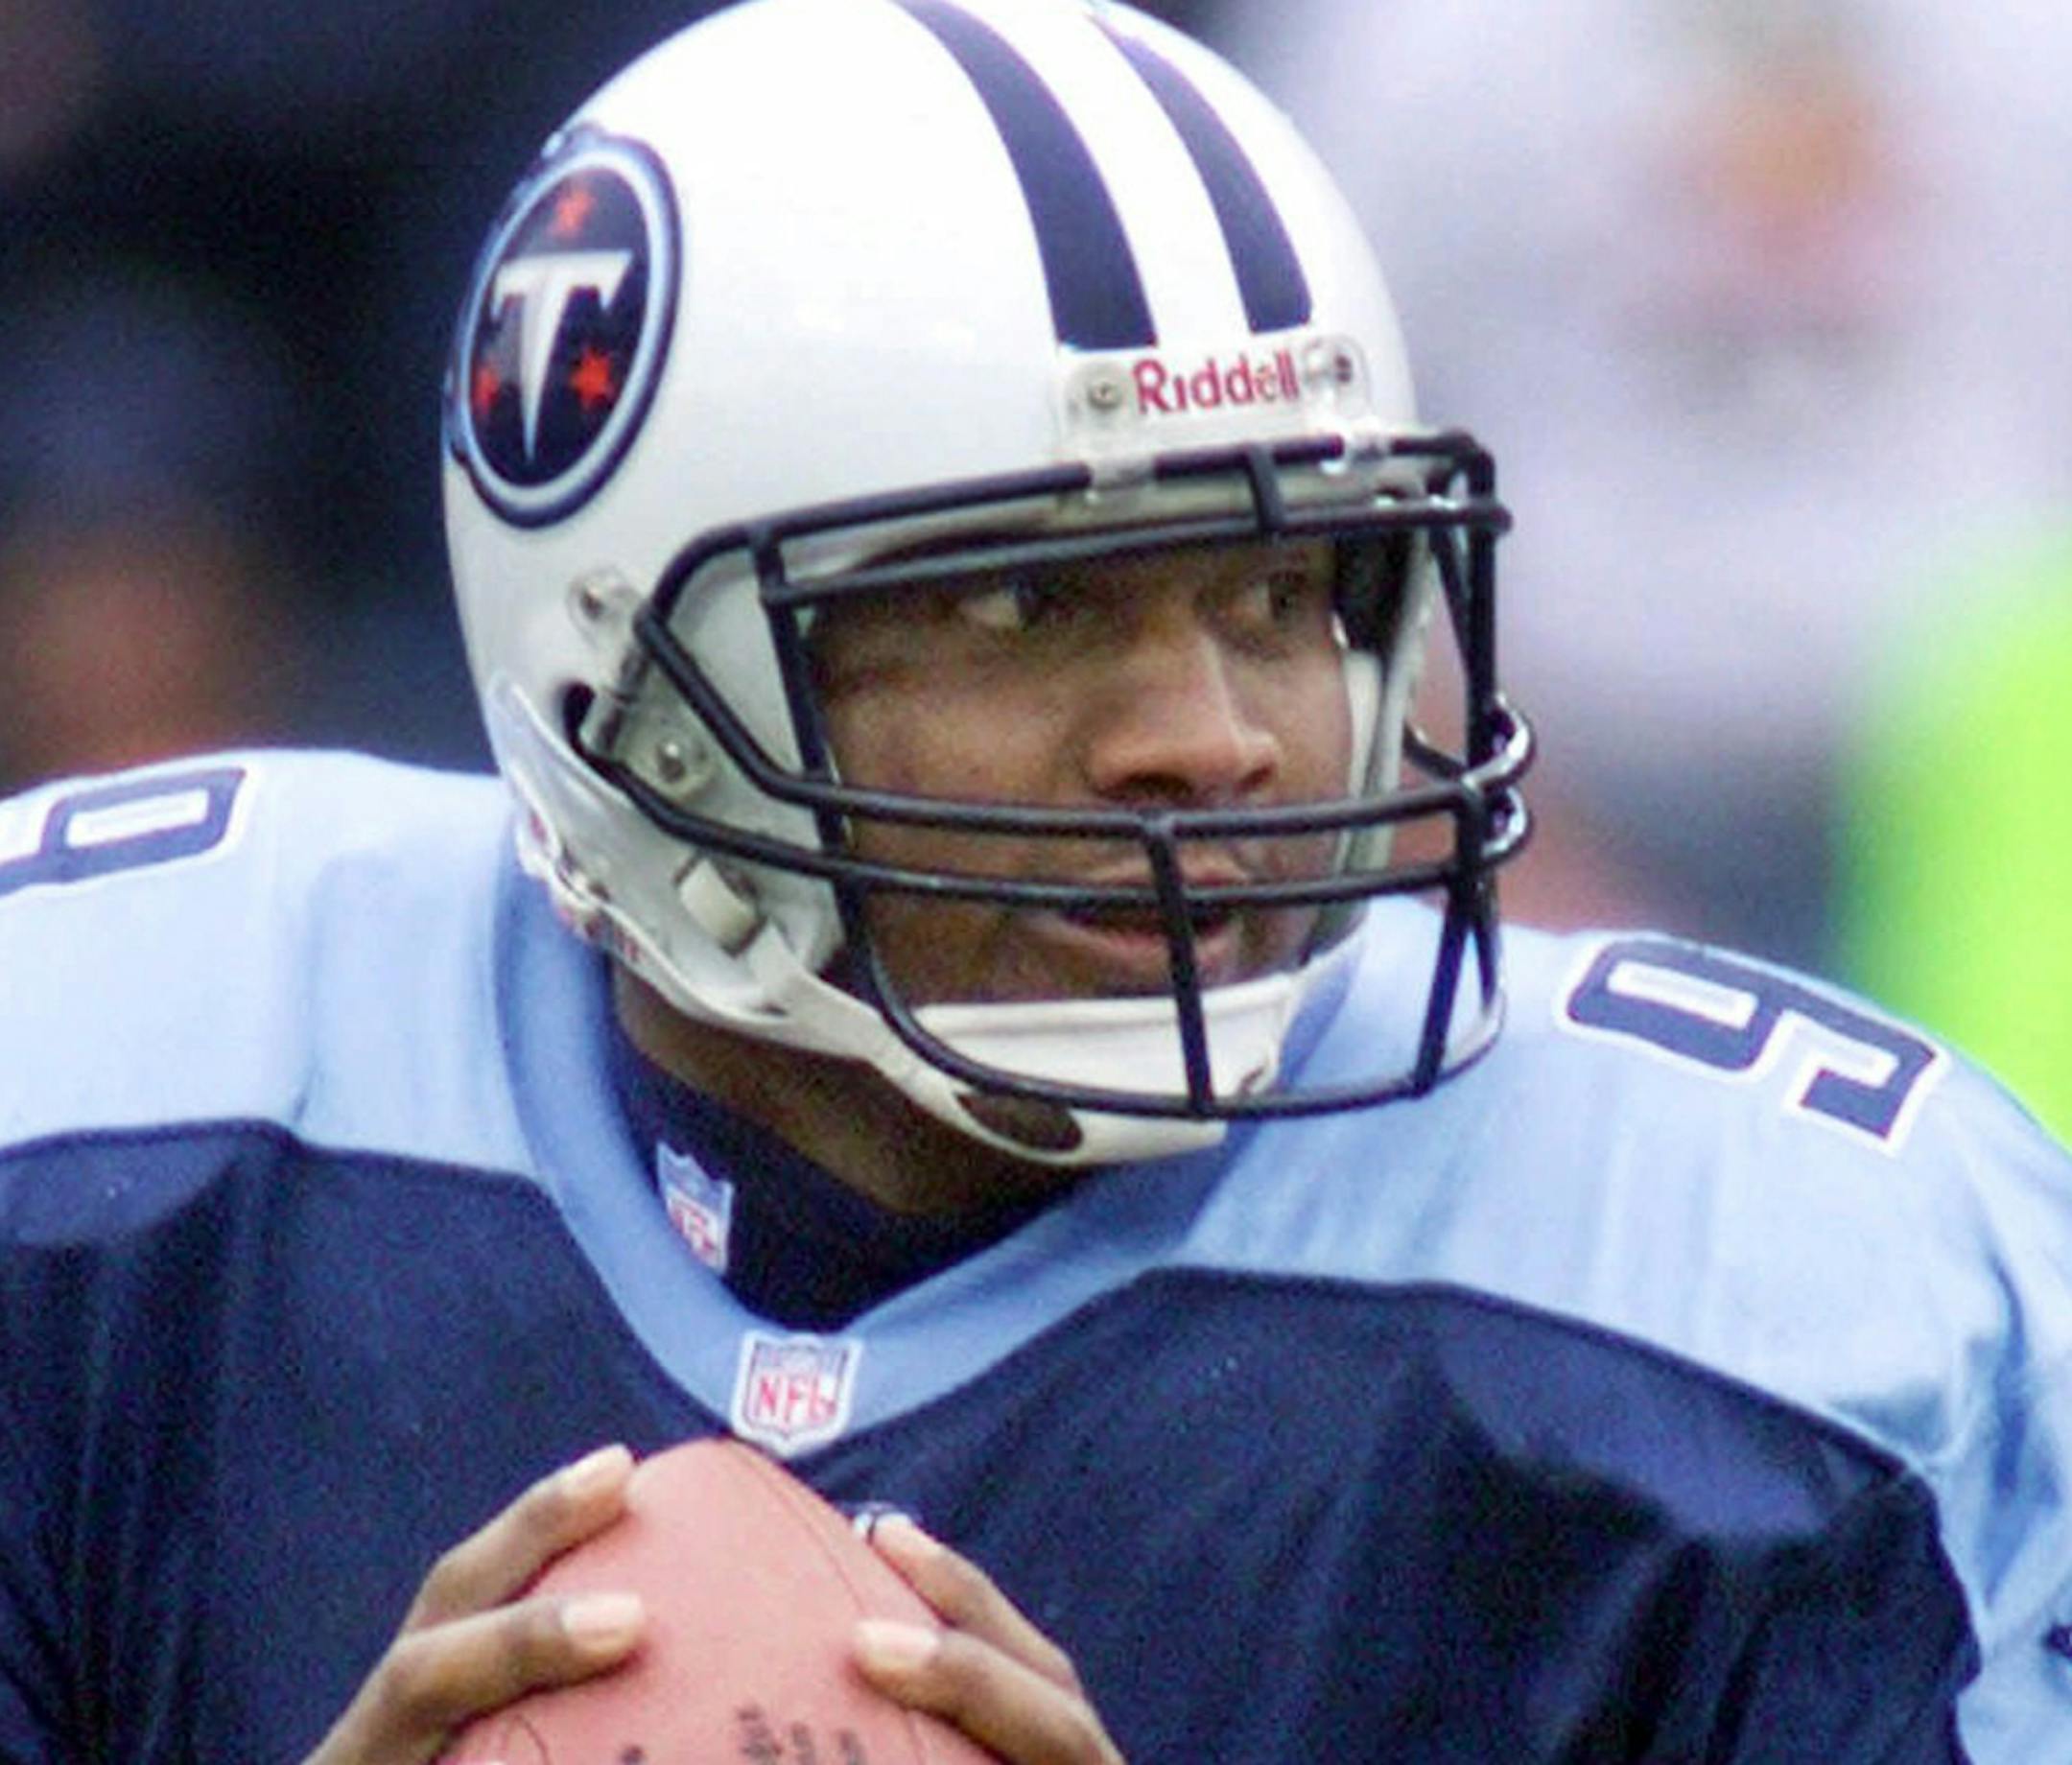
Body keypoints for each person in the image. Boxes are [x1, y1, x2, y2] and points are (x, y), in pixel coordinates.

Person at [1, 1, 2067, 1760]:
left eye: (1287, 584)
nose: (1219, 732)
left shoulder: (1784, 1322)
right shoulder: (101, 1126)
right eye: (1027, 604)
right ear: (622, 667)